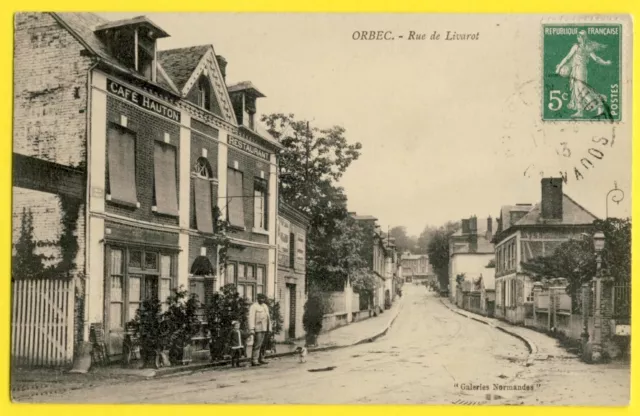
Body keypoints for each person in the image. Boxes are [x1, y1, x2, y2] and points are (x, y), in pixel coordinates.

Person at [555, 30, 612, 118]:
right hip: (575, 69)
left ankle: (599, 105)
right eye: (578, 36)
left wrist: (605, 63)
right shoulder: (576, 46)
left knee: (582, 88)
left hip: (581, 70)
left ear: (583, 38)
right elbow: (567, 57)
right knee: (576, 90)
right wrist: (559, 67)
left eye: (580, 36)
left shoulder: (587, 47)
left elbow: (596, 58)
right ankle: (580, 111)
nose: (578, 38)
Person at [248, 293, 271, 366]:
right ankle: (254, 360)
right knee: (257, 344)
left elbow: (268, 317)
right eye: (261, 298)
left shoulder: (265, 306)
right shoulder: (254, 306)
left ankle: (261, 358)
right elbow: (251, 318)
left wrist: (270, 327)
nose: (262, 300)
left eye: (263, 298)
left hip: (265, 327)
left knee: (263, 344)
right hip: (258, 328)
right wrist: (252, 328)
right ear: (257, 299)